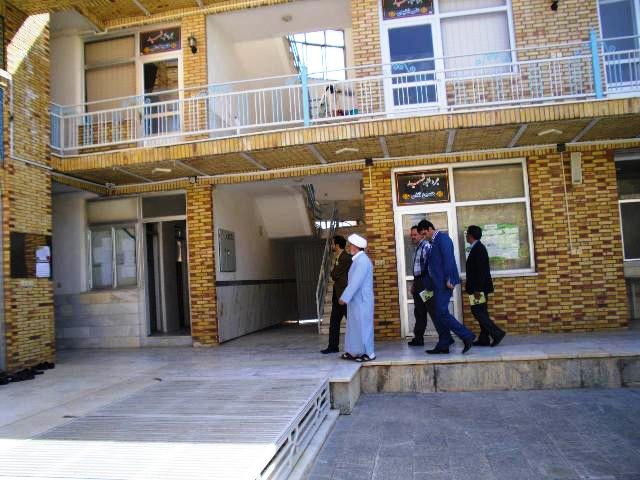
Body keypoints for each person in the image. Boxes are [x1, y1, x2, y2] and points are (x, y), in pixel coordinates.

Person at [421, 220, 475, 354]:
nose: (424, 237)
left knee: (442, 312)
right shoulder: (433, 241)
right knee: (438, 312)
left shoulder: (443, 239)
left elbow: (449, 259)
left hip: (444, 282)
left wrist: (450, 278)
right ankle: (444, 342)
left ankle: (467, 335)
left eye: (424, 233)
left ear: (430, 229)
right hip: (436, 283)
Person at [465, 225, 506, 347]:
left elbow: (481, 272)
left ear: (471, 236)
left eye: (467, 234)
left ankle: (497, 333)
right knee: (482, 312)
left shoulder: (479, 249)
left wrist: (477, 290)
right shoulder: (476, 247)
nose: (466, 236)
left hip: (478, 289)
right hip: (478, 288)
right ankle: (484, 338)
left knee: (477, 311)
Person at [338, 233, 375, 362]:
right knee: (354, 327)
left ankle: (369, 353)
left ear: (356, 247)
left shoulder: (362, 261)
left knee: (364, 326)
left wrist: (344, 297)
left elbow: (355, 282)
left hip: (362, 300)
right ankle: (353, 352)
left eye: (351, 245)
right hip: (357, 300)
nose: (349, 247)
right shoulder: (358, 260)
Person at [321, 235, 352, 354]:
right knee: (334, 321)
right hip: (337, 294)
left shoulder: (345, 258)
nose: (332, 246)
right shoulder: (339, 257)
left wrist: (334, 273)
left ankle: (359, 345)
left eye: (333, 244)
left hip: (344, 296)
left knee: (352, 321)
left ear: (337, 245)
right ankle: (333, 346)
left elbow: (334, 274)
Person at [408, 224, 436, 347]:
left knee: (432, 309)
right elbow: (417, 270)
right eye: (411, 235)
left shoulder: (426, 246)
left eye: (415, 235)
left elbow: (431, 267)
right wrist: (415, 284)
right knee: (419, 311)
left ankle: (445, 336)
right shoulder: (417, 248)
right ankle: (418, 338)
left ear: (421, 234)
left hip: (425, 283)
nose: (412, 237)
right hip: (418, 283)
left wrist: (428, 284)